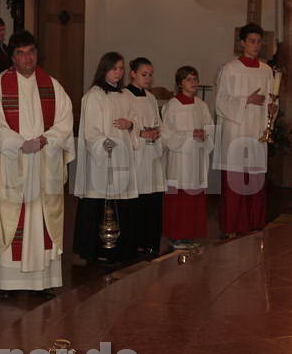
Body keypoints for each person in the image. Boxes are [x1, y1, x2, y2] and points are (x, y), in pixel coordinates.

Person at [0, 30, 74, 297]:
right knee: (13, 217)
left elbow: (65, 121)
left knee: (42, 218)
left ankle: (43, 279)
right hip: (13, 162)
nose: (27, 58)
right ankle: (7, 282)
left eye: (31, 52)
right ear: (12, 57)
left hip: (44, 162)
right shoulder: (0, 86)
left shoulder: (52, 85)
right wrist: (19, 143)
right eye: (21, 53)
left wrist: (46, 139)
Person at [73, 52, 139, 266]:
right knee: (99, 204)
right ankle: (97, 251)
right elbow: (91, 132)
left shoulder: (125, 96)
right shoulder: (94, 96)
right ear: (104, 69)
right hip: (102, 160)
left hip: (122, 157)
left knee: (121, 203)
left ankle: (120, 249)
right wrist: (109, 146)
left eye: (121, 68)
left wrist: (130, 125)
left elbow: (134, 121)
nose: (118, 73)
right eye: (114, 69)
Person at [213, 23, 273, 238]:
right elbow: (220, 102)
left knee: (255, 180)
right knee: (235, 181)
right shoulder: (230, 68)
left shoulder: (266, 71)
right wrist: (246, 100)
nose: (256, 45)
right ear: (242, 43)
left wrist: (272, 110)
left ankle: (254, 223)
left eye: (259, 42)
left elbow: (271, 100)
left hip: (257, 131)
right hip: (236, 132)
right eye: (252, 41)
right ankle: (232, 226)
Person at [161, 66, 214, 249]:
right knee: (179, 199)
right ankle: (176, 236)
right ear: (180, 83)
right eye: (188, 79)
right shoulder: (172, 105)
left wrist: (205, 134)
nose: (193, 82)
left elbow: (210, 127)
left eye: (195, 79)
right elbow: (167, 134)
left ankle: (190, 234)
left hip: (196, 158)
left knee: (194, 198)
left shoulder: (202, 105)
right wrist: (190, 134)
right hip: (179, 160)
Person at [124, 57, 165, 259]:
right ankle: (134, 245)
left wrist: (157, 132)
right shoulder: (123, 96)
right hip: (135, 154)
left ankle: (150, 243)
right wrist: (140, 133)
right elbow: (122, 126)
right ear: (132, 73)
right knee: (136, 201)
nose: (148, 78)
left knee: (152, 201)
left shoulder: (150, 97)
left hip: (151, 154)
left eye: (150, 74)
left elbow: (158, 123)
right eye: (144, 74)